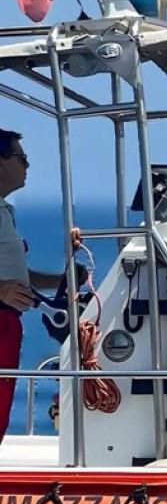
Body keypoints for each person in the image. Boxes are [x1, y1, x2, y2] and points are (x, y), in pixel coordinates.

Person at [0, 128, 72, 443]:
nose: (27, 165)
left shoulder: (4, 212)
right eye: (21, 158)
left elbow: (17, 272)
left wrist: (61, 280)